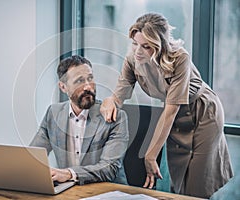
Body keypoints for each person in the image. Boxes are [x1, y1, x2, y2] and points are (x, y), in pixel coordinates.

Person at [100, 13, 233, 198]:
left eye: (146, 46)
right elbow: (119, 94)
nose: (138, 51)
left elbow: (170, 111)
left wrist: (151, 155)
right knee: (179, 180)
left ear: (159, 45)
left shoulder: (180, 58)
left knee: (197, 185)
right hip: (178, 117)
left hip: (203, 113)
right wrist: (109, 101)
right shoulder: (132, 59)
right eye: (135, 43)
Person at [30, 55, 129, 185]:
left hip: (109, 192)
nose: (88, 87)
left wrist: (69, 174)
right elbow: (33, 156)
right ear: (63, 87)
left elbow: (109, 168)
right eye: (79, 81)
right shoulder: (53, 113)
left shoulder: (116, 117)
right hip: (70, 192)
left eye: (90, 78)